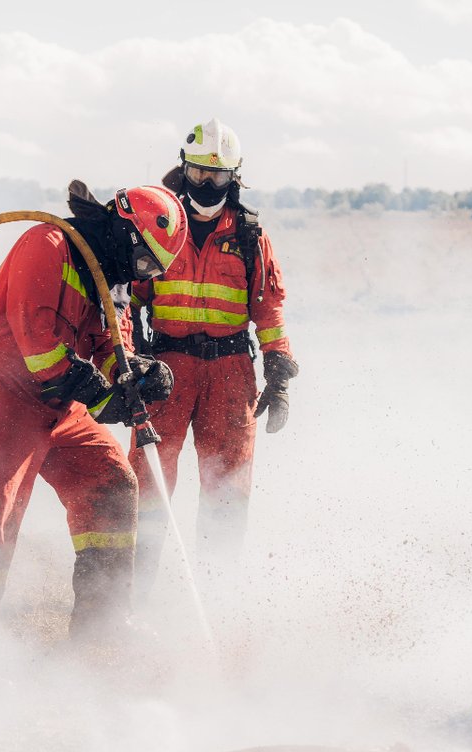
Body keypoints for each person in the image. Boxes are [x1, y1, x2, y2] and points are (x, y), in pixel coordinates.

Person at [0, 182, 186, 647]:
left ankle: (102, 629)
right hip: (5, 396)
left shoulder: (110, 280)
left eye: (154, 269)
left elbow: (111, 347)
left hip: (56, 401)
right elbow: (38, 346)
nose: (144, 275)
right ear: (125, 233)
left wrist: (139, 373)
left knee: (110, 481)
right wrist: (102, 399)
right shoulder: (47, 244)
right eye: (145, 262)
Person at [129, 119, 298, 602]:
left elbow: (268, 307)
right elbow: (127, 300)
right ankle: (134, 594)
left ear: (234, 178)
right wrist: (129, 361)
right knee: (147, 481)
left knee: (228, 487)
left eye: (218, 176)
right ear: (183, 169)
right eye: (200, 173)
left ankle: (218, 595)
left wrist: (279, 370)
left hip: (230, 373)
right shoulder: (158, 225)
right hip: (165, 370)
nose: (207, 184)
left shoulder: (249, 234)